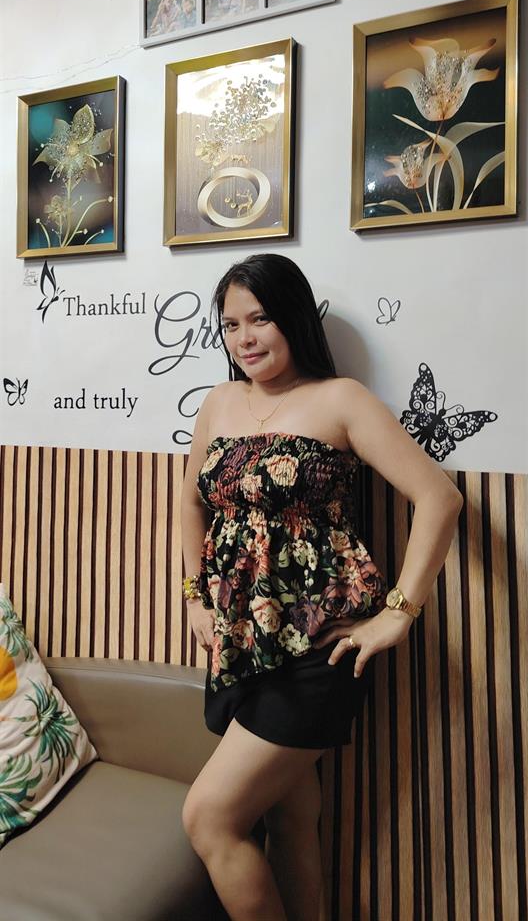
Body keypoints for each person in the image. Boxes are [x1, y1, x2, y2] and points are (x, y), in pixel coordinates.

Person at [181, 253, 463, 921]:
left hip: (317, 649)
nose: (245, 338)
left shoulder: (342, 400)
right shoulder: (219, 402)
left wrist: (398, 612)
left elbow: (439, 498)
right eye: (231, 325)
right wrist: (194, 596)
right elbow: (191, 502)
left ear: (294, 318)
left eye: (260, 319)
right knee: (291, 816)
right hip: (241, 642)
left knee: (210, 818)